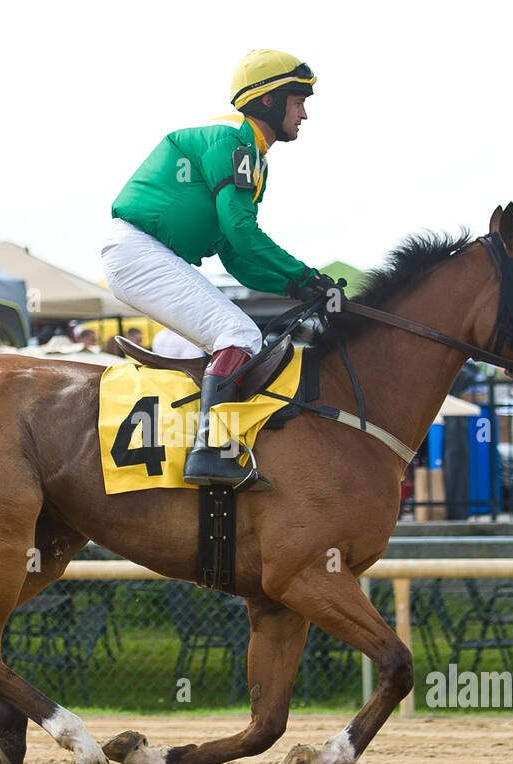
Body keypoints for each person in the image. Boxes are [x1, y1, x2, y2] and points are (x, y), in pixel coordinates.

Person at [102, 49, 336, 490]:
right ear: (269, 100)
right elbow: (242, 231)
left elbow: (236, 256)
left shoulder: (250, 155)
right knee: (241, 335)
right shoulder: (233, 142)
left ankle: (215, 443)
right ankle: (211, 452)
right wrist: (305, 276)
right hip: (139, 250)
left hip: (146, 252)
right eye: (298, 100)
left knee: (241, 333)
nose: (304, 113)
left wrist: (297, 286)